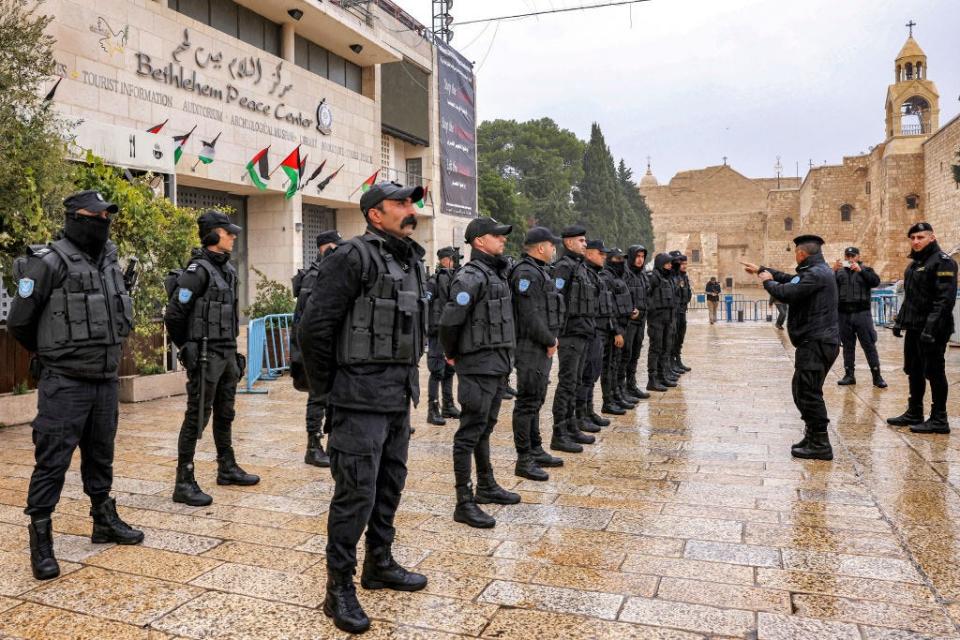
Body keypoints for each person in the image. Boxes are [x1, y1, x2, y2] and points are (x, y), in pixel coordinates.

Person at [298, 181, 429, 634]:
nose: (410, 209)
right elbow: (314, 328)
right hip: (358, 399)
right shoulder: (351, 257)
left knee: (390, 486)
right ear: (375, 214)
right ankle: (338, 589)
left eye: (412, 203)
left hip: (397, 397)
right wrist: (329, 390)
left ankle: (380, 563)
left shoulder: (410, 259)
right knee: (355, 494)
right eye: (401, 203)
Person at [9, 190, 145, 581]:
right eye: (95, 215)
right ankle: (41, 537)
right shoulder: (47, 263)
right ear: (74, 217)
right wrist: (54, 355)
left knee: (101, 455)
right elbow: (20, 323)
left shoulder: (110, 263)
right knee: (52, 461)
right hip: (65, 382)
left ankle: (103, 519)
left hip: (105, 380)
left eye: (107, 216)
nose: (103, 222)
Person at [165, 211, 259, 508]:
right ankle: (184, 480)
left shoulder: (227, 270)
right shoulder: (197, 271)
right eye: (227, 232)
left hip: (226, 352)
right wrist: (186, 346)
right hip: (205, 354)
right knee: (197, 416)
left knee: (226, 412)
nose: (233, 236)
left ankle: (227, 467)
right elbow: (175, 314)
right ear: (213, 234)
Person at [440, 217, 519, 529]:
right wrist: (451, 353)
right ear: (478, 242)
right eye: (496, 236)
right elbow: (449, 321)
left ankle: (486, 485)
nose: (502, 240)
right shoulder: (470, 277)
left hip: (497, 363)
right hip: (477, 363)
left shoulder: (494, 273)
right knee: (469, 432)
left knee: (485, 428)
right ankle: (464, 500)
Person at [742, 234, 839, 461]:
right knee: (802, 390)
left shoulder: (816, 274)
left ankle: (820, 443)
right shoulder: (814, 272)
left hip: (817, 341)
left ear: (801, 253)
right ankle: (812, 435)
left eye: (796, 252)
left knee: (809, 393)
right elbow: (789, 279)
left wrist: (767, 281)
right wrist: (762, 270)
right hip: (815, 341)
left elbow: (786, 292)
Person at [887, 222, 958, 434]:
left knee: (934, 371)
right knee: (914, 370)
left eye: (920, 237)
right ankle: (915, 411)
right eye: (913, 238)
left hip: (934, 329)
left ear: (932, 238)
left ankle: (939, 418)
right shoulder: (914, 264)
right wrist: (900, 321)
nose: (916, 242)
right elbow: (910, 298)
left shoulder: (943, 262)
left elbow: (944, 300)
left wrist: (931, 328)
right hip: (915, 327)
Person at [509, 227, 565, 481]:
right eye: (552, 245)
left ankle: (535, 448)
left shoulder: (540, 271)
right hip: (530, 346)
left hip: (541, 346)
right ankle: (524, 459)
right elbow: (529, 315)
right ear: (541, 247)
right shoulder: (526, 273)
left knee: (537, 399)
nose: (554, 249)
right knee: (527, 402)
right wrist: (549, 339)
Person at [291, 230, 342, 467]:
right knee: (317, 396)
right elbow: (310, 317)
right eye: (336, 246)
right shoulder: (315, 276)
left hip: (330, 347)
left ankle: (332, 444)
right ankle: (313, 446)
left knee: (332, 397)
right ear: (326, 247)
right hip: (316, 350)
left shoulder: (329, 272)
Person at [550, 225, 600, 452]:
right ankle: (559, 433)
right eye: (581, 240)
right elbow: (556, 300)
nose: (585, 244)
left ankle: (571, 426)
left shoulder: (580, 267)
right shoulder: (563, 267)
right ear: (568, 243)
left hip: (583, 331)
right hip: (570, 334)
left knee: (576, 382)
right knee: (567, 384)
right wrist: (556, 333)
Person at [833, 247, 887, 388]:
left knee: (869, 345)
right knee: (848, 347)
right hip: (844, 314)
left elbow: (875, 281)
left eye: (853, 256)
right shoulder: (839, 272)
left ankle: (877, 376)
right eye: (848, 256)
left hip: (862, 314)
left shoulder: (866, 270)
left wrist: (861, 271)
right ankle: (849, 375)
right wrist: (832, 271)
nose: (850, 258)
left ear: (858, 256)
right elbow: (830, 287)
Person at [598, 247, 637, 413]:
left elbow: (621, 301)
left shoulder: (618, 277)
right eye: (617, 259)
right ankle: (608, 401)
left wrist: (631, 311)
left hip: (623, 325)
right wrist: (616, 331)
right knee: (609, 366)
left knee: (616, 365)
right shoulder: (606, 277)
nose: (621, 262)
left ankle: (616, 396)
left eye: (623, 259)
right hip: (612, 330)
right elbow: (608, 308)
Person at [425, 246, 461, 426]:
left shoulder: (453, 277)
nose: (454, 262)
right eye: (452, 259)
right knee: (437, 371)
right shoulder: (434, 280)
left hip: (450, 330)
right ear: (445, 259)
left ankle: (448, 405)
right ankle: (433, 409)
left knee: (449, 369)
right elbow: (426, 304)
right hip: (437, 331)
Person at [620, 245, 650, 400]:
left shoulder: (643, 274)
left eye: (642, 257)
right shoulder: (626, 274)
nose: (640, 260)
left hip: (641, 321)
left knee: (635, 354)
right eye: (637, 256)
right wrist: (630, 309)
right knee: (626, 354)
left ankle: (631, 385)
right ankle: (621, 388)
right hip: (629, 321)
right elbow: (621, 295)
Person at [646, 253, 676, 392]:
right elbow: (646, 295)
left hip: (667, 318)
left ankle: (661, 375)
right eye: (667, 263)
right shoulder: (654, 277)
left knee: (665, 348)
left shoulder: (667, 277)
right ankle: (652, 379)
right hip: (657, 319)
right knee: (656, 349)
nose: (670, 266)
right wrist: (653, 309)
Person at [669, 252, 692, 376]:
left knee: (680, 338)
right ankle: (671, 363)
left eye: (685, 263)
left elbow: (686, 293)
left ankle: (677, 360)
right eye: (681, 263)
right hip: (675, 312)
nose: (683, 266)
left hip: (682, 311)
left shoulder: (684, 277)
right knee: (673, 338)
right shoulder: (673, 277)